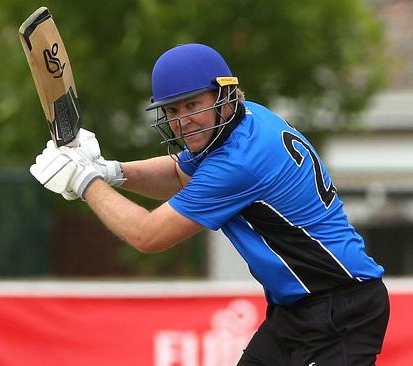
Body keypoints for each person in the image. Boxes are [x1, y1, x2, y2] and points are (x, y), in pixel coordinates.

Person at [30, 43, 389, 365]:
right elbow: (178, 175)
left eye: (192, 104)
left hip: (341, 310)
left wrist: (84, 181)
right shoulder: (248, 120)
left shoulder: (239, 163)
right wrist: (110, 171)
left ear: (226, 96)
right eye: (172, 110)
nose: (182, 121)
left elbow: (147, 235)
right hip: (299, 311)